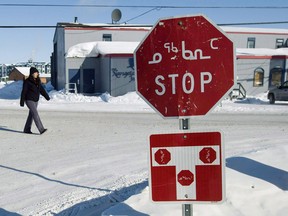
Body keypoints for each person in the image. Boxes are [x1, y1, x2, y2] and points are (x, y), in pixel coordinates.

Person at [20, 67, 50, 134]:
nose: (37, 73)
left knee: (32, 114)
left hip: (35, 100)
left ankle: (26, 129)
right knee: (35, 114)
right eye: (36, 72)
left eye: (37, 72)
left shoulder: (37, 81)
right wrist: (22, 101)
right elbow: (23, 91)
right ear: (32, 73)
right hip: (29, 100)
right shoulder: (27, 81)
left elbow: (41, 90)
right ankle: (41, 129)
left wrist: (46, 96)